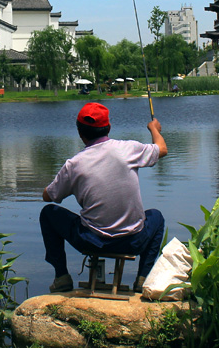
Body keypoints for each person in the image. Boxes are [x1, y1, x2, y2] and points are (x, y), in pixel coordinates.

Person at [40, 102, 167, 294]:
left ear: (79, 132)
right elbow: (162, 149)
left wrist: (67, 182)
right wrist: (154, 129)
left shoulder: (74, 164)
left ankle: (62, 276)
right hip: (133, 241)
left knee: (48, 213)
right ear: (108, 127)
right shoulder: (128, 149)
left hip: (91, 240)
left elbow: (48, 197)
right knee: (156, 217)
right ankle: (143, 278)